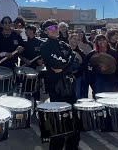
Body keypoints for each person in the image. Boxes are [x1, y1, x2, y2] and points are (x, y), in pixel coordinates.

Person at [40, 19, 79, 150]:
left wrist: (64, 64)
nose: (55, 29)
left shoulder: (64, 44)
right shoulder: (45, 46)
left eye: (56, 27)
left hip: (70, 84)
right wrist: (65, 62)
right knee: (58, 120)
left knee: (73, 118)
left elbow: (72, 60)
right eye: (51, 28)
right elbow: (57, 66)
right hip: (56, 87)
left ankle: (72, 146)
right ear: (45, 31)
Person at [68, 33, 86, 99]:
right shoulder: (63, 50)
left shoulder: (81, 52)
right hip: (65, 77)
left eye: (78, 40)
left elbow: (84, 65)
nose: (76, 41)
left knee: (76, 95)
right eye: (74, 39)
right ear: (69, 39)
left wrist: (77, 69)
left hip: (77, 77)